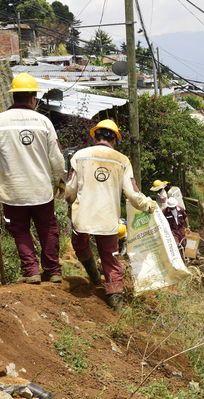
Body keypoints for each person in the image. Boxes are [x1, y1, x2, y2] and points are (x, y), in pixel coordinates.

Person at [0, 73, 65, 284]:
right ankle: (53, 271)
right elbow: (57, 157)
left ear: (13, 96)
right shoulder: (44, 122)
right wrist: (60, 179)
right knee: (48, 229)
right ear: (33, 97)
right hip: (41, 190)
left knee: (20, 230)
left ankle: (31, 271)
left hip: (13, 191)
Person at [65, 119, 156, 311]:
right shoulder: (122, 160)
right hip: (108, 218)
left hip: (82, 216)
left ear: (95, 136)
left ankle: (94, 278)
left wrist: (70, 202)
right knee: (110, 257)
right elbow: (132, 193)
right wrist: (147, 204)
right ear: (115, 139)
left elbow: (70, 190)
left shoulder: (79, 156)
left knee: (80, 246)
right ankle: (115, 300)